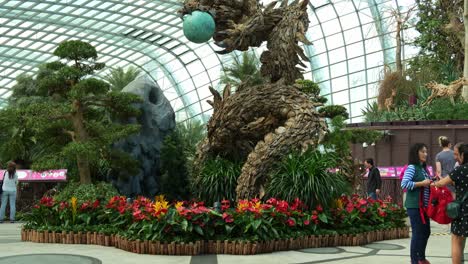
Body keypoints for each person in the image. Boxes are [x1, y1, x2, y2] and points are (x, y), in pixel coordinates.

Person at [434, 144, 468, 264]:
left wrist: (435, 182)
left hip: (463, 212)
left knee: (456, 240)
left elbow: (441, 183)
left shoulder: (459, 170)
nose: (454, 157)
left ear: (463, 155)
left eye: (456, 154)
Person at [401, 143, 432, 264]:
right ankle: (415, 261)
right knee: (417, 233)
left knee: (426, 232)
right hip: (414, 206)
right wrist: (422, 183)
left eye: (426, 151)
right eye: (422, 151)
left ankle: (421, 258)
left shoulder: (423, 168)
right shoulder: (412, 167)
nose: (425, 154)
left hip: (424, 207)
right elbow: (404, 184)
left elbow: (426, 183)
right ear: (416, 153)